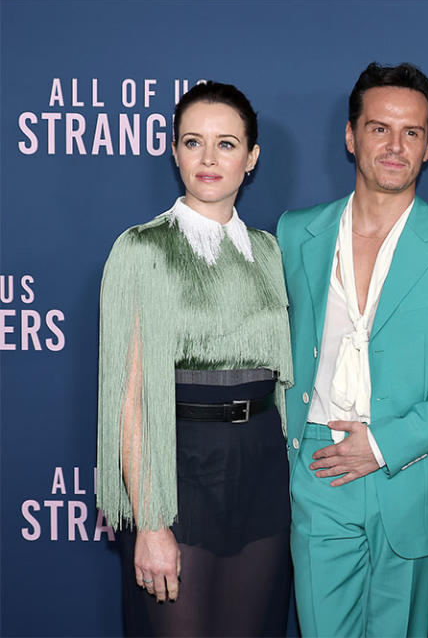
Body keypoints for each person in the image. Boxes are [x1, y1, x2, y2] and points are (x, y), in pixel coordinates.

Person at [277, 62, 428, 637]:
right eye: (379, 129)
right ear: (351, 136)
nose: (395, 146)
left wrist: (382, 445)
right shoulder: (295, 232)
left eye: (412, 132)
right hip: (319, 469)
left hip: (410, 471)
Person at [96, 81, 294, 637]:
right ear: (175, 150)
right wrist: (151, 523)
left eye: (227, 144)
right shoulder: (141, 248)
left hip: (261, 472)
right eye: (193, 142)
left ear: (251, 158)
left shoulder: (270, 252)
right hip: (177, 471)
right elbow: (128, 398)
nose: (208, 159)